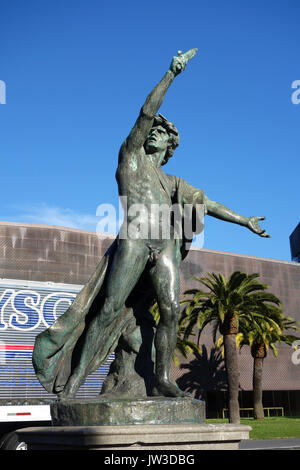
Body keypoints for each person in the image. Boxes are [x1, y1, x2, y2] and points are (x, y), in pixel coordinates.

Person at [33, 49, 269, 398]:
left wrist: (244, 220)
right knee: (110, 309)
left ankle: (161, 379)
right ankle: (74, 382)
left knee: (171, 311)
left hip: (165, 245)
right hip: (135, 237)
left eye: (161, 132)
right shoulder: (130, 159)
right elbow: (146, 112)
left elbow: (209, 203)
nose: (153, 132)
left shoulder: (173, 182)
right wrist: (171, 74)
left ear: (170, 145)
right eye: (152, 130)